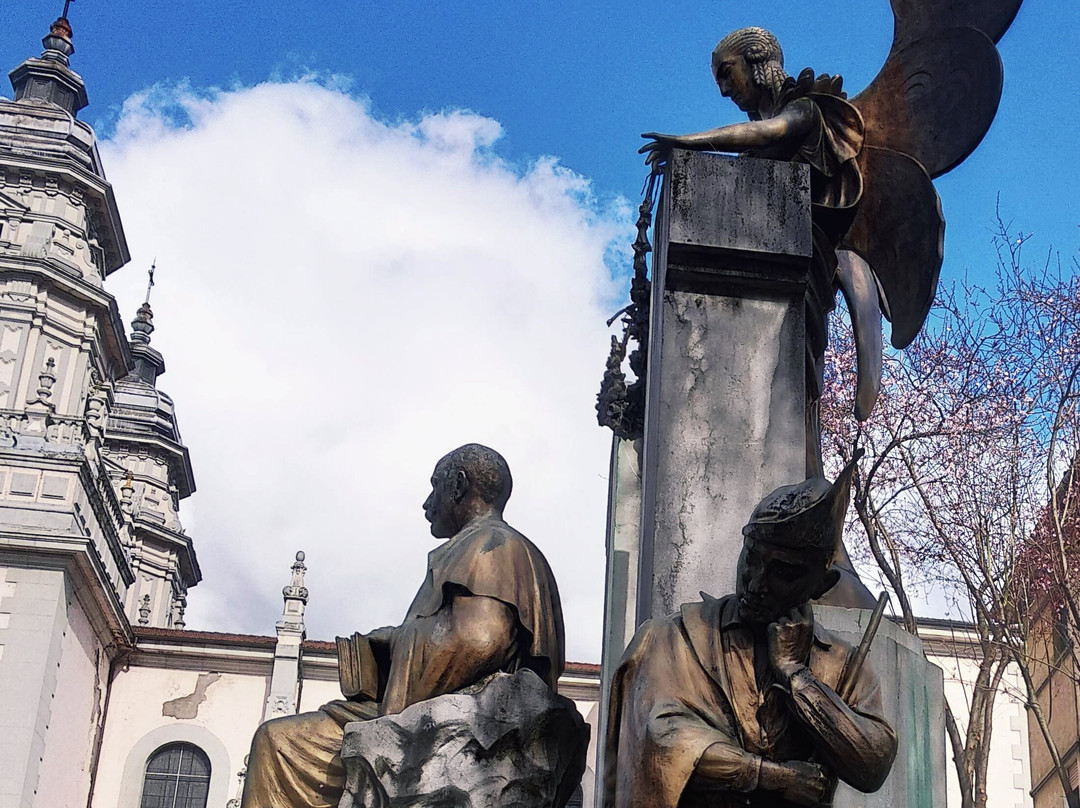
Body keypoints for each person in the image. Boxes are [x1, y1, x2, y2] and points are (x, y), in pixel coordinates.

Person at [241, 444, 565, 808]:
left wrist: (396, 644)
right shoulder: (485, 546)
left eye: (435, 487)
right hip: (438, 706)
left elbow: (481, 639)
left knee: (278, 743)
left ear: (457, 485)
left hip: (443, 714)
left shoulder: (491, 545)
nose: (427, 503)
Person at [603, 460, 897, 808]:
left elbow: (872, 766)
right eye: (751, 560)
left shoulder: (844, 666)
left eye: (783, 572)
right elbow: (664, 738)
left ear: (821, 584)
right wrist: (776, 777)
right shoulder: (670, 640)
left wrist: (796, 676)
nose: (756, 583)